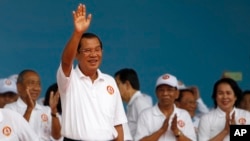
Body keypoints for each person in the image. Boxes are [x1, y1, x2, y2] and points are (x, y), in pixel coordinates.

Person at [56, 3, 127, 141]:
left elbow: (117, 124)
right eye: (87, 51)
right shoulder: (69, 79)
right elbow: (66, 61)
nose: (93, 55)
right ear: (77, 55)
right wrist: (78, 33)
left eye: (97, 50)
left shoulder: (109, 81)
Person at [134, 73, 196, 141]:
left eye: (169, 90)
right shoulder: (145, 115)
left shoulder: (184, 115)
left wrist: (176, 131)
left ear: (177, 93)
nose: (165, 93)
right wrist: (161, 131)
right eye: (161, 90)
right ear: (156, 93)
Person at [4, 69, 62, 141]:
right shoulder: (10, 109)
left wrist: (53, 112)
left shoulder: (47, 110)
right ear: (19, 87)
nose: (36, 88)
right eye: (31, 83)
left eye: (38, 84)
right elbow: (15, 135)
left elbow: (57, 137)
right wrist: (29, 108)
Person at [114, 68, 153, 139]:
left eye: (117, 84)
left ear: (127, 85)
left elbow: (150, 129)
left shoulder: (140, 102)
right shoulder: (132, 104)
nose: (115, 90)